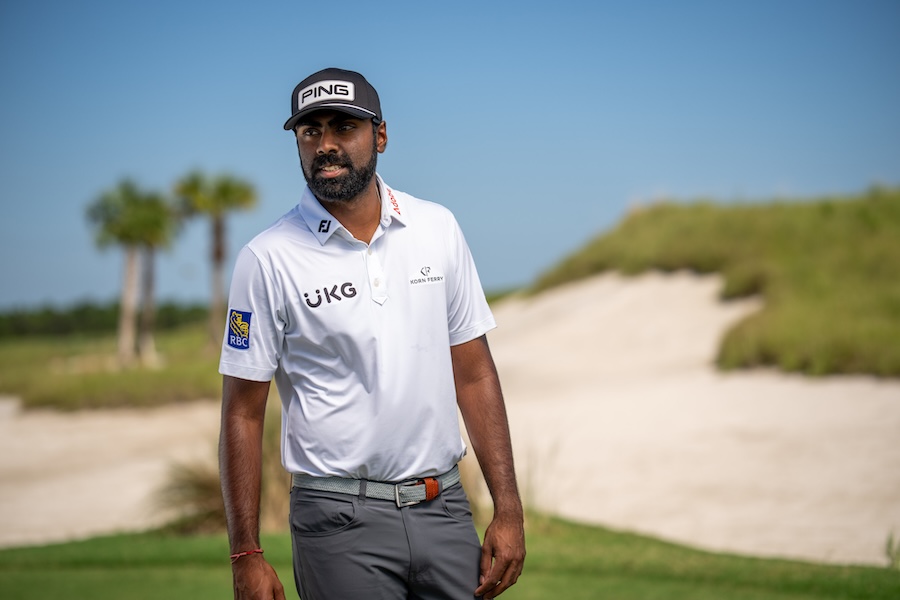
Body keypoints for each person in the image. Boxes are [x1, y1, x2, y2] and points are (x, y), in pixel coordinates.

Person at [218, 67, 525, 600]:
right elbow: (242, 412)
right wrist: (245, 552)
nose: (326, 145)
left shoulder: (437, 229)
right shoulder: (265, 260)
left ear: (379, 135)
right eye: (311, 132)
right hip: (336, 521)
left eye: (344, 128)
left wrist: (509, 508)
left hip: (445, 509)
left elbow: (474, 374)